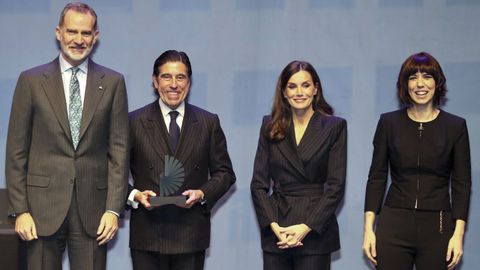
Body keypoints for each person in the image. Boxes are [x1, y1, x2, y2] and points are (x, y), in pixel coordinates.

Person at [5, 2, 129, 270]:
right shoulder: (31, 81)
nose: (78, 40)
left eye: (86, 33)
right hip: (39, 212)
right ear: (58, 32)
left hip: (94, 213)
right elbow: (16, 151)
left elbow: (119, 151)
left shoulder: (113, 82)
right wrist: (20, 210)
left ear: (96, 37)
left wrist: (113, 209)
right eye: (72, 31)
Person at [127, 50, 236, 270]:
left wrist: (203, 193)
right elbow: (113, 171)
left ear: (189, 81)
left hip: (190, 232)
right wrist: (134, 195)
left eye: (181, 77)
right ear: (155, 81)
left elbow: (225, 174)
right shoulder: (133, 121)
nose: (174, 84)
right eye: (166, 77)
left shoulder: (208, 122)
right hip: (147, 233)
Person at [362, 52, 471, 270]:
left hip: (438, 226)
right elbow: (376, 177)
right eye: (413, 77)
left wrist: (458, 235)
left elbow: (462, 184)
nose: (420, 84)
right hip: (394, 224)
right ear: (405, 84)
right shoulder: (388, 123)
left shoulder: (455, 127)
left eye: (427, 77)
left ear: (437, 82)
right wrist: (368, 231)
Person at [250, 60, 347, 270]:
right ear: (284, 92)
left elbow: (336, 186)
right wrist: (274, 225)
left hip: (315, 229)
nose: (299, 92)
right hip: (278, 229)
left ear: (315, 89)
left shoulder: (334, 127)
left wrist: (306, 227)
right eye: (292, 86)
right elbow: (258, 184)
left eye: (305, 85)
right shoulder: (270, 126)